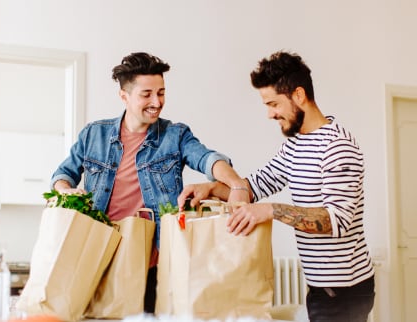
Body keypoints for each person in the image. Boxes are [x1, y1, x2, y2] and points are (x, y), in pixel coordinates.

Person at [178, 51, 375, 322]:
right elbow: (257, 185)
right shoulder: (295, 144)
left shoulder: (337, 146)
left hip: (345, 291)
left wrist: (270, 210)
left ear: (298, 95)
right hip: (320, 287)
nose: (270, 114)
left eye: (273, 104)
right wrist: (211, 189)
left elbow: (335, 221)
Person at [50, 52, 247, 313]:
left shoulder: (175, 135)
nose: (157, 102)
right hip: (98, 259)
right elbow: (62, 175)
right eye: (147, 94)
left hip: (154, 263)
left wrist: (237, 185)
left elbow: (207, 158)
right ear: (124, 96)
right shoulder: (93, 135)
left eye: (161, 93)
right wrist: (67, 191)